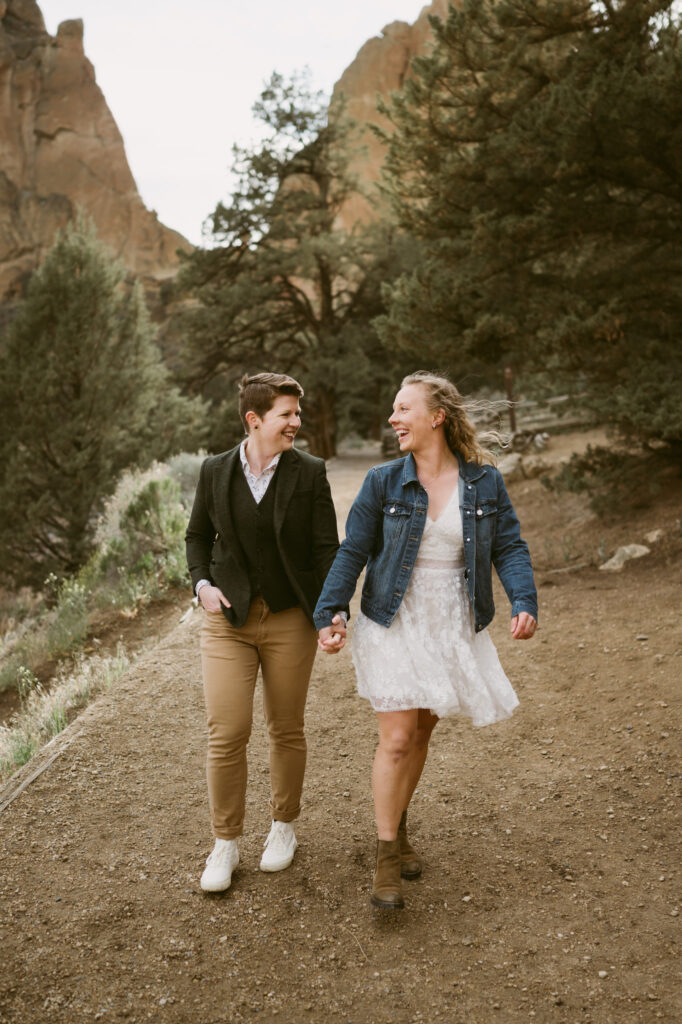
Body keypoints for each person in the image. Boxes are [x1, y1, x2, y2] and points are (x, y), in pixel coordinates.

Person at [314, 371, 537, 910]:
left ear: (436, 416)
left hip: (451, 621)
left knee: (420, 733)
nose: (393, 419)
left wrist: (524, 599)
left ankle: (400, 825)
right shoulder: (383, 481)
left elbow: (509, 545)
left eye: (403, 408)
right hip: (393, 617)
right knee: (396, 737)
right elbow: (353, 550)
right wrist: (331, 609)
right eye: (393, 409)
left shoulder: (484, 482)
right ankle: (386, 855)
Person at [185, 372, 345, 893]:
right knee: (226, 732)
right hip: (227, 622)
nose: (297, 423)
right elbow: (196, 537)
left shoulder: (310, 472)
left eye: (298, 414)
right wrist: (202, 584)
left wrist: (333, 610)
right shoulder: (214, 472)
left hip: (289, 620)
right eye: (287, 415)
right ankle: (225, 842)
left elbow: (326, 548)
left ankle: (283, 828)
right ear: (255, 420)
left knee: (285, 727)